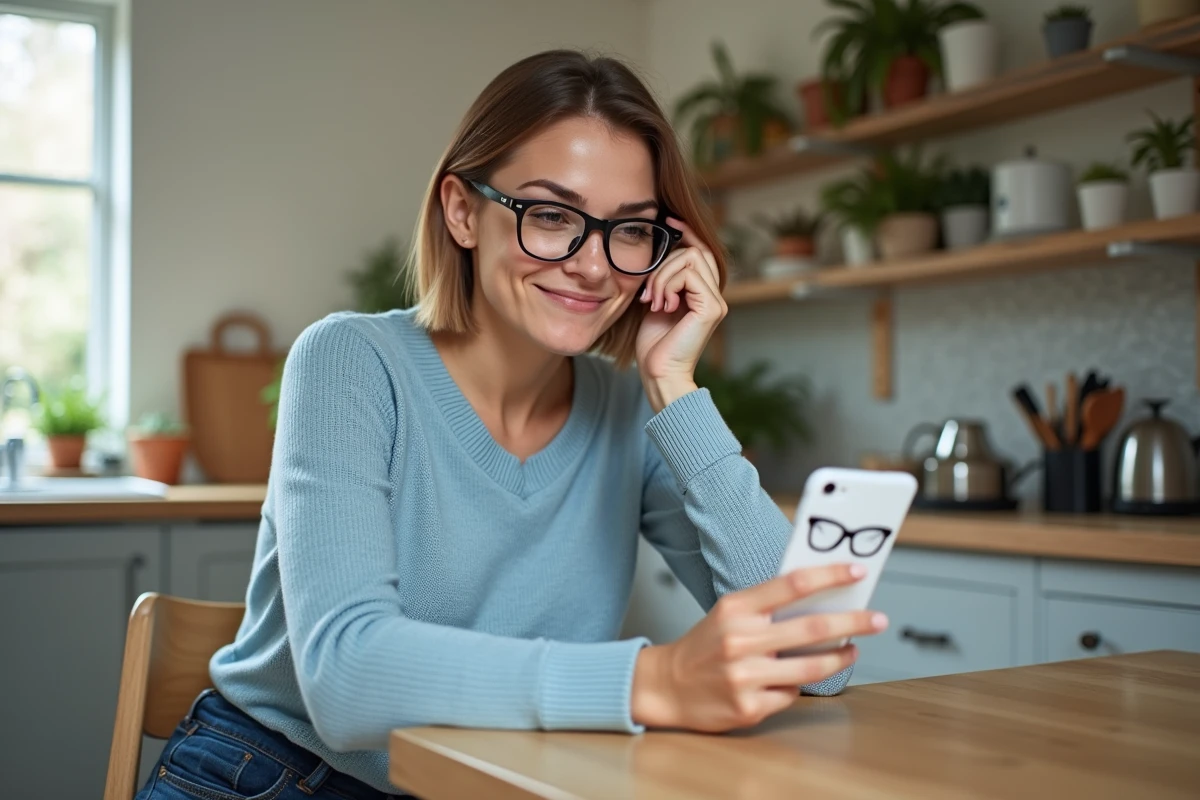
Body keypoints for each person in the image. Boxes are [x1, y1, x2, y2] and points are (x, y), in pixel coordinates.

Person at [135, 49, 887, 800]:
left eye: (630, 231)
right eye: (553, 215)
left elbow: (819, 657)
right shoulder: (351, 362)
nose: (595, 266)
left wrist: (674, 386)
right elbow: (346, 679)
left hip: (490, 782)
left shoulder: (629, 410)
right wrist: (652, 679)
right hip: (272, 775)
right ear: (462, 211)